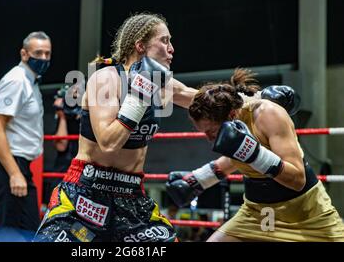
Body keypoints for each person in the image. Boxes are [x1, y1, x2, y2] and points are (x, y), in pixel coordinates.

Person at [34, 13, 295, 242]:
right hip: (86, 193)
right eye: (164, 41)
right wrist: (139, 96)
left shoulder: (163, 84)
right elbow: (108, 141)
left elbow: (204, 99)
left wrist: (260, 98)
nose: (172, 49)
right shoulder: (106, 79)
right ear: (140, 45)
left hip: (131, 197)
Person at [166, 68, 344, 242]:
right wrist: (199, 179)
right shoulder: (210, 105)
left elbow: (297, 180)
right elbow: (178, 91)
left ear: (232, 115)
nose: (209, 138)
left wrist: (255, 154)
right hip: (257, 212)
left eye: (211, 131)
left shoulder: (269, 114)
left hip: (305, 213)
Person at [0, 31, 51, 240]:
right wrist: (14, 173)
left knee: (28, 228)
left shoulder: (31, 81)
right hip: (8, 163)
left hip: (20, 164)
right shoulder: (16, 80)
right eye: (38, 53)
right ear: (24, 54)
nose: (43, 58)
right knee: (8, 230)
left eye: (47, 54)